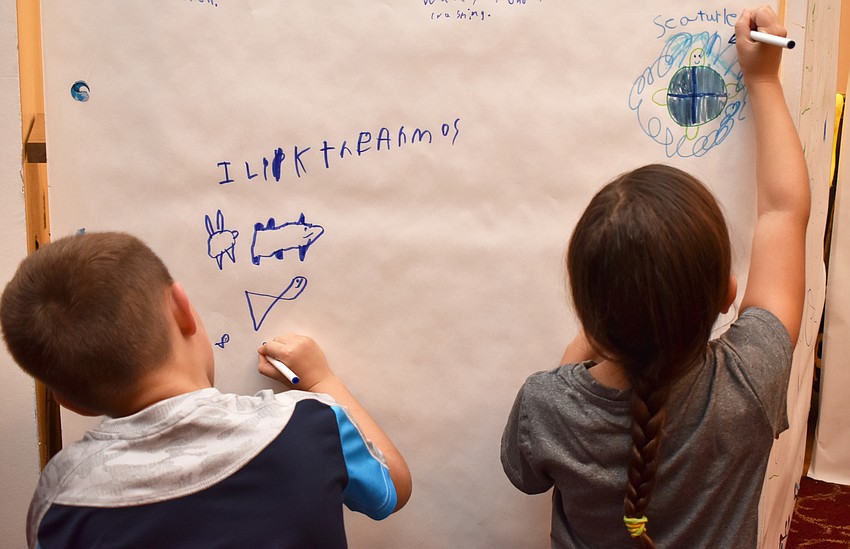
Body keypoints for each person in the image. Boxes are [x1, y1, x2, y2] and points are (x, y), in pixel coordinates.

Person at [500, 6, 809, 548]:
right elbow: (784, 213)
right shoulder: (751, 379)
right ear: (726, 297)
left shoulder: (546, 406)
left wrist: (592, 336)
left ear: (585, 307)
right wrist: (762, 79)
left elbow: (524, 478)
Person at [0, 231, 412, 549]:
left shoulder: (62, 501)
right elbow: (392, 491)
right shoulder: (311, 423)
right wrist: (323, 382)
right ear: (182, 308)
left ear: (68, 402)